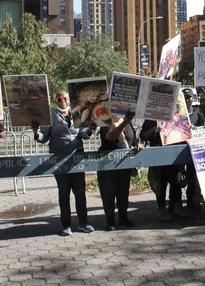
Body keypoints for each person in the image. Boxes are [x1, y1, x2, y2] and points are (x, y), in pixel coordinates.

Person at [32, 91, 96, 236]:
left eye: (65, 98)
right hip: (59, 160)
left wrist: (90, 130)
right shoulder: (51, 116)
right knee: (64, 193)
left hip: (76, 159)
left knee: (80, 192)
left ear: (69, 100)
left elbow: (83, 134)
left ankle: (83, 223)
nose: (62, 101)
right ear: (55, 101)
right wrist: (36, 132)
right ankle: (66, 225)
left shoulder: (76, 114)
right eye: (59, 99)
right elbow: (43, 138)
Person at [97, 110, 140, 231]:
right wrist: (125, 122)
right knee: (108, 193)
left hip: (124, 163)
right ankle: (110, 221)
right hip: (108, 164)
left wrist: (136, 143)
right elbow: (111, 136)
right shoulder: (106, 121)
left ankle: (123, 218)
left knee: (123, 192)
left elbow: (131, 136)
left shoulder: (126, 120)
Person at [141, 119, 188, 221]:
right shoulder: (151, 118)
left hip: (174, 154)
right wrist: (154, 129)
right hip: (158, 156)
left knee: (176, 181)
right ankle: (162, 210)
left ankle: (177, 207)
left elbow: (184, 133)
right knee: (161, 183)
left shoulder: (176, 117)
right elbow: (143, 136)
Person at [183, 88, 202, 209]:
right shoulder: (177, 115)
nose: (188, 100)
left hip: (194, 150)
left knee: (193, 176)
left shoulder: (197, 115)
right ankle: (176, 203)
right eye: (185, 97)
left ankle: (193, 199)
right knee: (179, 178)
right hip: (180, 149)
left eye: (189, 97)